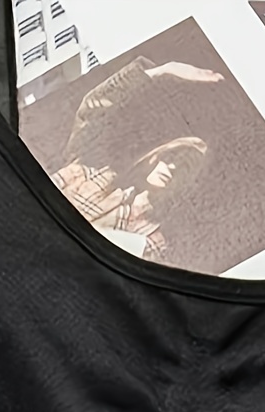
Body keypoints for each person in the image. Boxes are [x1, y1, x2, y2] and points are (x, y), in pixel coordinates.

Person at [49, 59, 221, 263]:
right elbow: (94, 106)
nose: (173, 167)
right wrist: (163, 70)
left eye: (186, 165)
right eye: (172, 157)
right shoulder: (90, 171)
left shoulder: (151, 240)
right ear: (155, 157)